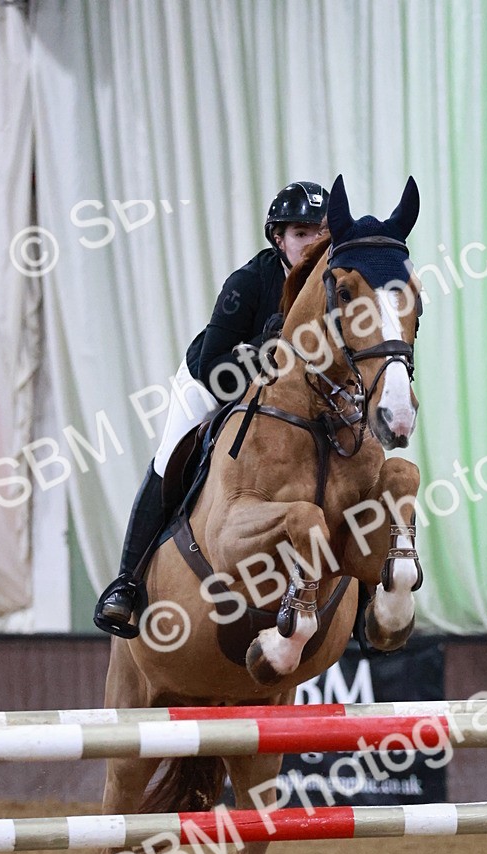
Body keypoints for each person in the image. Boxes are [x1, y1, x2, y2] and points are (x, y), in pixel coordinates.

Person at [94, 181, 329, 638]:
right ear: (277, 238)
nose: (314, 243)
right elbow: (212, 364)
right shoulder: (247, 283)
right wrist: (267, 351)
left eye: (322, 232)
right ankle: (127, 583)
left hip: (292, 398)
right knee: (169, 459)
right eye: (302, 233)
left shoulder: (333, 285)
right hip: (213, 381)